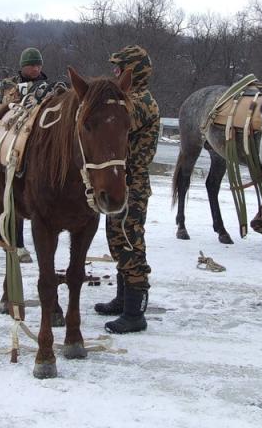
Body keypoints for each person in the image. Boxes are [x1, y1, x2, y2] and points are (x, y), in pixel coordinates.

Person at [94, 45, 160, 334]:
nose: (114, 73)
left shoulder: (141, 102)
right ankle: (122, 300)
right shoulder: (129, 98)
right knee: (117, 241)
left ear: (132, 71)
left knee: (131, 244)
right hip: (119, 182)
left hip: (133, 184)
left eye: (119, 69)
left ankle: (135, 313)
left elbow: (115, 122)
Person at [0, 47, 48, 263]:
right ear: (23, 66)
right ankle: (2, 231)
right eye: (32, 65)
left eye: (38, 64)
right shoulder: (9, 85)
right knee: (3, 192)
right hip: (8, 141)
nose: (36, 68)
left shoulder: (47, 86)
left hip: (30, 143)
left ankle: (14, 237)